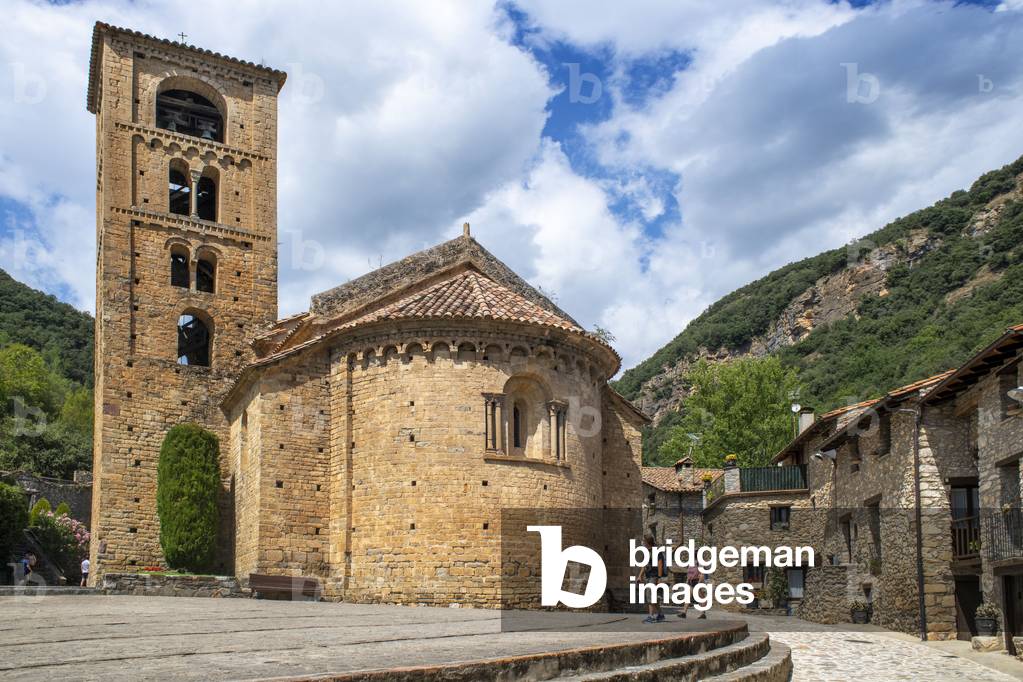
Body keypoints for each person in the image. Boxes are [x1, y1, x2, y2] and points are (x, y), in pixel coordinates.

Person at [637, 535, 665, 624]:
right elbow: (644, 565)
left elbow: (660, 564)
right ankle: (660, 614)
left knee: (650, 595)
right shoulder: (647, 552)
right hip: (648, 576)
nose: (642, 543)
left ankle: (651, 617)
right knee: (652, 596)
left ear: (647, 542)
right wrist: (640, 576)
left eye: (643, 541)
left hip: (654, 576)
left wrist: (659, 578)